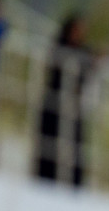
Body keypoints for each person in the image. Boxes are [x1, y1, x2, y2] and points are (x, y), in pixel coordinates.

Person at [35, 14, 95, 186]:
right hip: (55, 104)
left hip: (73, 106)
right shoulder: (59, 48)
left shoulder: (83, 51)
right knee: (50, 144)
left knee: (74, 147)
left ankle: (73, 183)